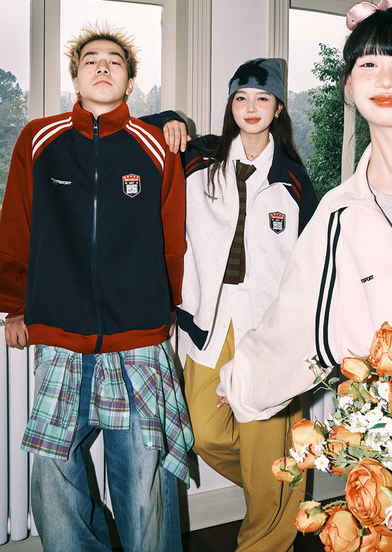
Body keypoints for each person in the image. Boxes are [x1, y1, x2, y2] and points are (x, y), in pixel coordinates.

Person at [0, 24, 193, 552]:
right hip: (60, 336)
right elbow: (17, 226)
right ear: (76, 79)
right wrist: (13, 305)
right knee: (53, 478)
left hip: (138, 340)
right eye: (91, 61)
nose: (103, 66)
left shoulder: (158, 145)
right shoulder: (38, 139)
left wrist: (165, 305)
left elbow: (172, 238)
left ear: (130, 82)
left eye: (115, 61)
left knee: (144, 485)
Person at [217, 0, 392, 424]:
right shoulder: (338, 214)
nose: (386, 80)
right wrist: (243, 382)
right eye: (368, 64)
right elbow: (297, 317)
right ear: (349, 82)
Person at [165, 58, 318, 551]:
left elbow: (311, 264)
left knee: (266, 446)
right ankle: (276, 490)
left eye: (263, 98)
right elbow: (134, 131)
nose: (251, 107)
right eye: (241, 98)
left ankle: (266, 532)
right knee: (205, 434)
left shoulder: (293, 180)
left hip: (269, 331)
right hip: (209, 322)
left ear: (278, 108)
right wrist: (168, 119)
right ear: (231, 105)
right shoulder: (198, 160)